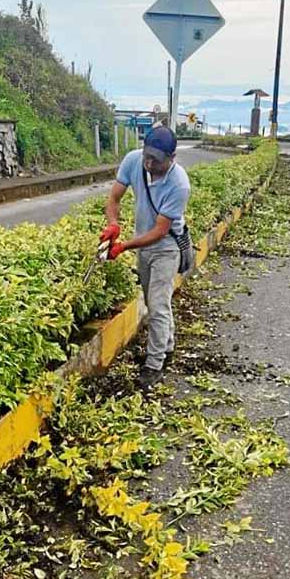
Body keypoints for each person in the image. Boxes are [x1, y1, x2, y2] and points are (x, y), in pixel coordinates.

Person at [100, 126, 191, 391]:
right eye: (147, 156)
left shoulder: (179, 184)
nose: (149, 164)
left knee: (159, 304)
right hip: (144, 246)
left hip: (166, 247)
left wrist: (123, 246)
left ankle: (154, 365)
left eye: (157, 160)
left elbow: (160, 231)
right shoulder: (133, 160)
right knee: (154, 303)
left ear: (172, 157)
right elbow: (114, 198)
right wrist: (113, 224)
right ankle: (167, 347)